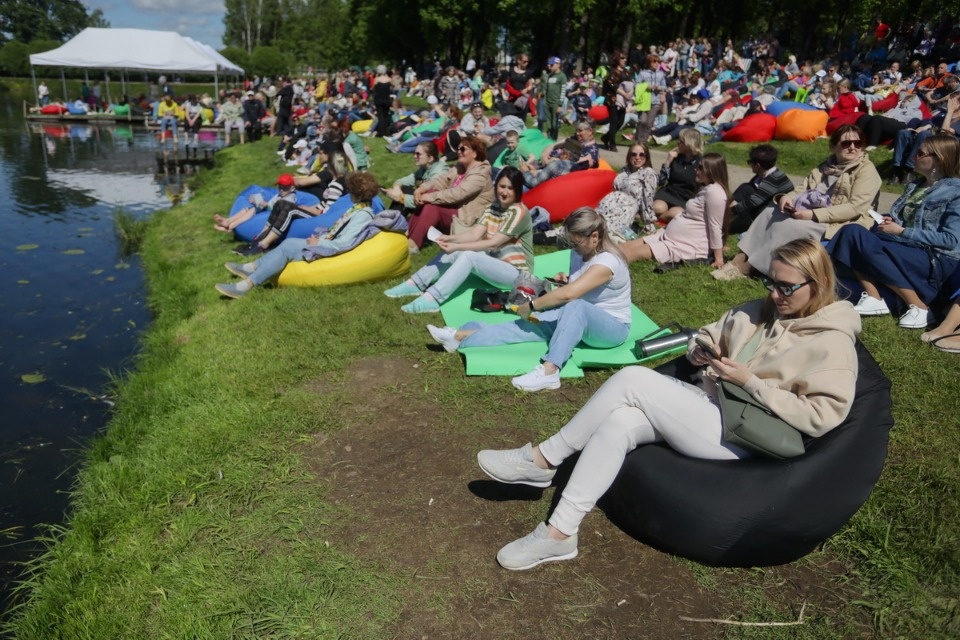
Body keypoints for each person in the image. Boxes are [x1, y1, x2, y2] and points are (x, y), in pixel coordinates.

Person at [476, 238, 861, 570]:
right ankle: (560, 533)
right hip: (708, 403)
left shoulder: (831, 342)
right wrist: (698, 352)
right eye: (770, 282)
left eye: (786, 287)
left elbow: (821, 417)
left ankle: (544, 459)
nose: (775, 294)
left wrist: (752, 382)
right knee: (621, 422)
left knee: (632, 378)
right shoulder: (759, 310)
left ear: (820, 283)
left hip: (744, 431)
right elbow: (708, 333)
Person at [425, 208, 631, 392]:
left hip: (611, 329)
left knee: (570, 306)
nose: (572, 247)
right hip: (576, 317)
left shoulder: (608, 261)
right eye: (570, 241)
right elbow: (576, 287)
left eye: (576, 242)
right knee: (524, 326)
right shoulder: (579, 253)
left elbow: (570, 295)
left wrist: (530, 306)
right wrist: (567, 281)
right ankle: (461, 336)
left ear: (595, 236)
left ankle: (550, 371)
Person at [715, 125, 881, 279]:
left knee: (790, 226)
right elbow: (803, 187)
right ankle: (738, 260)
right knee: (769, 212)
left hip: (841, 221)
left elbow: (855, 208)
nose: (853, 147)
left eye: (858, 143)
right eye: (846, 143)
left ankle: (751, 268)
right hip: (810, 212)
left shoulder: (866, 170)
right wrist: (787, 198)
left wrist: (813, 215)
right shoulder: (826, 166)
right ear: (833, 146)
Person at [829, 133, 960, 329]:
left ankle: (918, 306)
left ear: (938, 159)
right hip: (905, 248)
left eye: (920, 153)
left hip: (935, 258)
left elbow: (950, 240)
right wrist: (892, 221)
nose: (914, 156)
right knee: (852, 232)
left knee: (857, 240)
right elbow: (906, 221)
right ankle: (874, 297)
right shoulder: (914, 186)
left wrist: (901, 231)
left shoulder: (955, 191)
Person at [383, 167, 533, 313]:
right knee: (461, 249)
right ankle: (415, 283)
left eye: (510, 188)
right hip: (494, 261)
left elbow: (494, 242)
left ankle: (433, 299)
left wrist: (455, 247)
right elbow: (474, 235)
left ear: (518, 190)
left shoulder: (518, 212)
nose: (505, 192)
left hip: (517, 274)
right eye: (502, 186)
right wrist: (449, 238)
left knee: (468, 255)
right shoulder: (493, 207)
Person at [214, 172, 382, 299]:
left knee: (288, 247)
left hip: (327, 248)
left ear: (355, 193)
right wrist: (322, 237)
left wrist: (319, 243)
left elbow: (344, 243)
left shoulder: (363, 214)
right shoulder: (358, 208)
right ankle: (252, 267)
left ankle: (246, 286)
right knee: (290, 243)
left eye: (350, 190)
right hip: (325, 241)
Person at [620, 153, 729, 270]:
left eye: (701, 167)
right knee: (624, 247)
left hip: (684, 246)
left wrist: (719, 258)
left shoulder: (715, 192)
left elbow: (715, 226)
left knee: (632, 253)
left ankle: (603, 269)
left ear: (712, 171)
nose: (696, 169)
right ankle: (599, 259)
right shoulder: (706, 188)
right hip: (670, 237)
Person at [407, 136, 494, 252]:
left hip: (468, 220)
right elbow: (441, 180)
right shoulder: (460, 167)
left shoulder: (480, 174)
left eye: (463, 149)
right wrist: (421, 189)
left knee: (433, 204)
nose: (459, 152)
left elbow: (457, 194)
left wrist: (428, 197)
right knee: (429, 194)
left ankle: (413, 244)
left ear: (475, 153)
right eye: (458, 149)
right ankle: (410, 233)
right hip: (454, 210)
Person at [726, 145, 795, 234]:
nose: (749, 165)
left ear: (758, 165)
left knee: (745, 199)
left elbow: (753, 202)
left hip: (778, 213)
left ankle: (725, 222)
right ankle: (723, 215)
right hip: (766, 206)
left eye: (750, 162)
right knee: (745, 188)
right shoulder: (763, 175)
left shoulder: (775, 179)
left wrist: (731, 211)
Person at [596, 143, 658, 239]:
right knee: (592, 221)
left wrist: (649, 223)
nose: (637, 157)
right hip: (610, 203)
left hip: (627, 208)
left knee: (604, 231)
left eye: (641, 154)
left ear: (647, 157)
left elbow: (647, 199)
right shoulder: (625, 170)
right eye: (634, 154)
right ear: (629, 156)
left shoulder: (648, 173)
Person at [213, 173, 298, 234]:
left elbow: (282, 210)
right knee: (248, 208)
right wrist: (258, 202)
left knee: (253, 210)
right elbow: (271, 203)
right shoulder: (281, 194)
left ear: (292, 188)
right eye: (280, 187)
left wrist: (266, 206)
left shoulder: (290, 199)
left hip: (273, 215)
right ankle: (228, 221)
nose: (281, 190)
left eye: (284, 188)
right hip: (268, 209)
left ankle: (231, 226)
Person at [381, 141, 447, 215]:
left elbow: (428, 200)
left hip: (434, 209)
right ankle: (390, 220)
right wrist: (397, 189)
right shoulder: (424, 168)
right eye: (414, 153)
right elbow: (402, 181)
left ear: (430, 158)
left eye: (418, 154)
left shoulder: (439, 173)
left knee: (402, 195)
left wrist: (400, 198)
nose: (415, 156)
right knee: (403, 189)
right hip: (423, 203)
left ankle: (390, 221)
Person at [652, 128, 703, 222]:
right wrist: (668, 162)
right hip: (669, 192)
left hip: (685, 198)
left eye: (681, 141)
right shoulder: (676, 158)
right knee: (658, 208)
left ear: (689, 143)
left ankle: (656, 218)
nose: (677, 143)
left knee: (675, 214)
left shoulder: (701, 163)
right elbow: (661, 181)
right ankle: (657, 217)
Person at [600, 50, 631, 151]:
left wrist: (629, 94)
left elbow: (631, 84)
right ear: (617, 59)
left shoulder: (626, 71)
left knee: (620, 121)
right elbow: (613, 85)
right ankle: (612, 143)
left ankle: (606, 137)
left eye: (625, 58)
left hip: (623, 100)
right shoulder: (611, 71)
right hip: (613, 99)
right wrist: (624, 94)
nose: (624, 60)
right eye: (622, 58)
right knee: (614, 120)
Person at [540, 56, 567, 140]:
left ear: (558, 64)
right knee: (548, 123)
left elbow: (563, 91)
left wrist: (560, 105)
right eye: (549, 65)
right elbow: (546, 89)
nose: (549, 67)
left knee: (554, 124)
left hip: (555, 103)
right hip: (547, 102)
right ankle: (548, 140)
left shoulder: (562, 76)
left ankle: (553, 141)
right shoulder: (550, 76)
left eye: (551, 65)